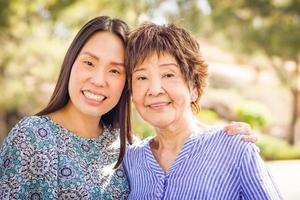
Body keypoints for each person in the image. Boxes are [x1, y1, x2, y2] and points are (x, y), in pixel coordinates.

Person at [0, 16, 255, 199]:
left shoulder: (126, 148)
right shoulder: (33, 137)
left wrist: (225, 139)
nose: (99, 80)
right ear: (70, 64)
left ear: (125, 85)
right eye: (89, 63)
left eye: (115, 70)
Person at [123, 22, 282, 199]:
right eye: (142, 77)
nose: (154, 89)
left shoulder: (234, 148)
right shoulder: (130, 160)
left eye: (168, 75)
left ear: (194, 88)